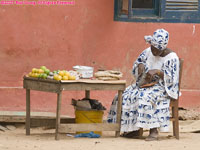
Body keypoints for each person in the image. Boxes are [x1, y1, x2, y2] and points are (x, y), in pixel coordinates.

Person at [107, 29, 180, 141]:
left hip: (162, 88)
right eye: (152, 48)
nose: (153, 52)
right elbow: (137, 63)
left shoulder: (172, 57)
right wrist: (139, 66)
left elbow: (173, 80)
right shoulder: (148, 51)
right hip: (146, 85)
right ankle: (134, 129)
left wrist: (158, 72)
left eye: (156, 50)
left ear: (163, 49)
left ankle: (153, 131)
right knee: (125, 95)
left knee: (146, 97)